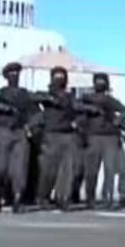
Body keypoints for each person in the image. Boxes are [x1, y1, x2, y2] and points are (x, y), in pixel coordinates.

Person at [0, 62, 34, 213]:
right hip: (4, 131)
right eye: (11, 74)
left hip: (20, 132)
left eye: (16, 74)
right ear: (6, 77)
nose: (14, 76)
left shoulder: (25, 94)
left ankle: (17, 198)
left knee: (20, 169)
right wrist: (4, 109)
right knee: (0, 168)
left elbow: (36, 113)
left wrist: (30, 125)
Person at [82, 73, 125, 210]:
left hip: (110, 137)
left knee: (110, 170)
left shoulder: (110, 100)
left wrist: (117, 121)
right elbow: (76, 106)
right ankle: (90, 199)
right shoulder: (87, 99)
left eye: (102, 81)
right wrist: (91, 109)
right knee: (91, 171)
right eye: (98, 81)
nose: (100, 84)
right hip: (93, 136)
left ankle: (107, 198)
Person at [35, 67, 79, 211]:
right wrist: (50, 99)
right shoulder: (46, 95)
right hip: (51, 134)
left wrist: (76, 121)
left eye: (62, 76)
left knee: (67, 169)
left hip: (67, 134)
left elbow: (77, 108)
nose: (60, 79)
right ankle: (43, 197)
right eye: (57, 76)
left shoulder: (70, 97)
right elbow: (34, 97)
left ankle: (63, 198)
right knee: (49, 169)